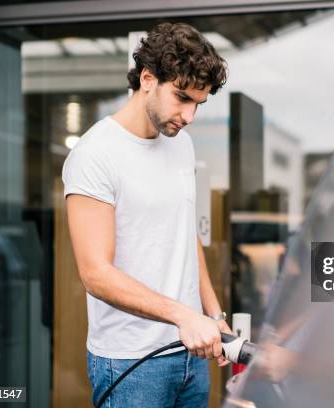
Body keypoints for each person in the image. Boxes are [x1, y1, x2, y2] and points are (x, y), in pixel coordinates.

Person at [62, 22, 230, 407]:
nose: (189, 116)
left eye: (198, 105)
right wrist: (183, 317)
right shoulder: (95, 154)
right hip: (132, 362)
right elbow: (95, 274)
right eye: (182, 98)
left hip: (191, 355)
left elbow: (186, 237)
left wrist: (213, 314)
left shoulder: (182, 146)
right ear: (148, 78)